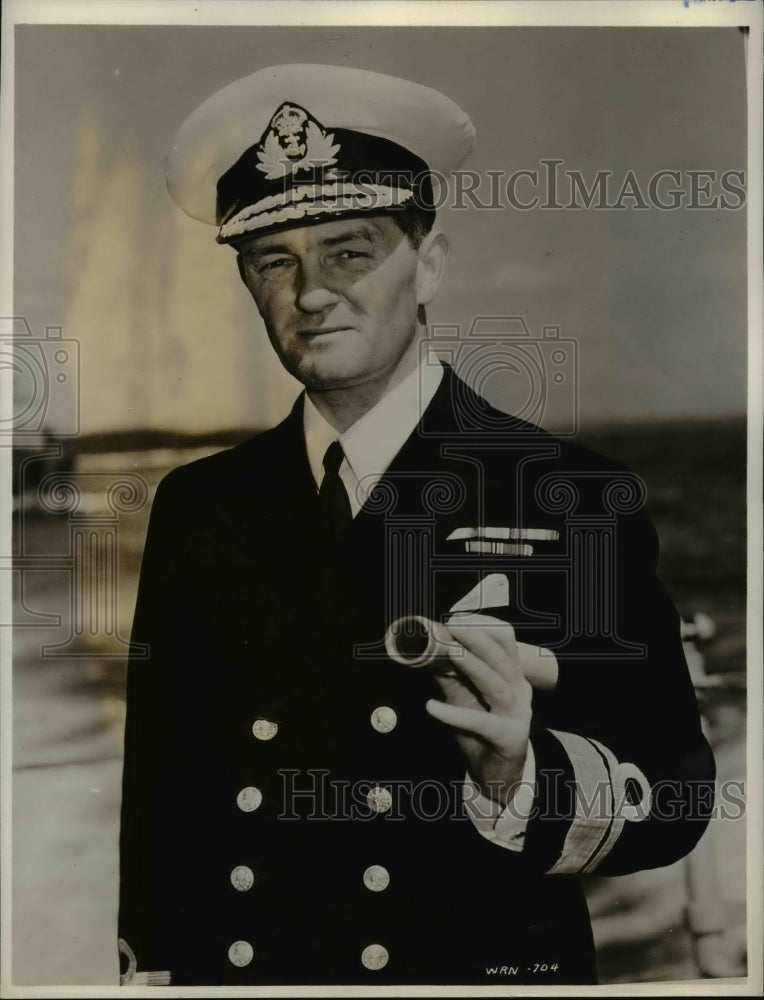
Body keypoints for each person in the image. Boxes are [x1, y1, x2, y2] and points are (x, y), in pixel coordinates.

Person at [118, 64, 715, 987]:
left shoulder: (568, 496)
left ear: (428, 262)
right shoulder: (202, 507)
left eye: (350, 251)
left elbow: (676, 795)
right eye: (276, 261)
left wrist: (518, 776)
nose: (311, 292)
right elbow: (164, 796)